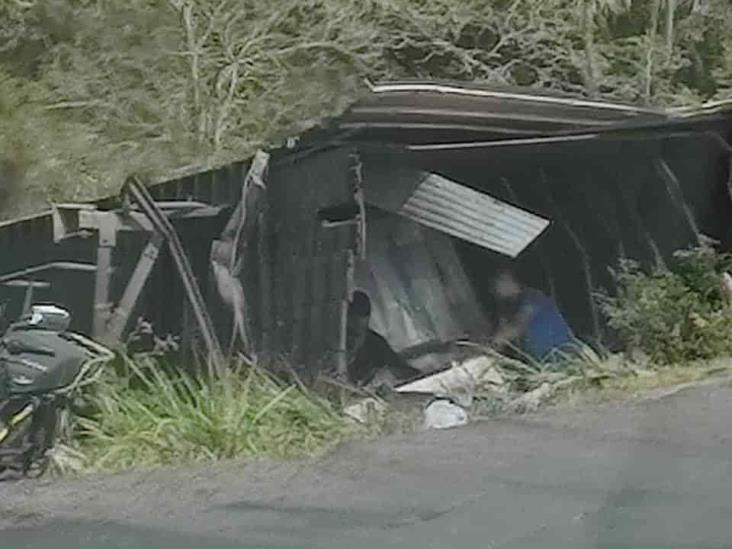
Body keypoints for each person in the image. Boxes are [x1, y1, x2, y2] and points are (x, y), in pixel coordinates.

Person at [490, 268, 577, 361]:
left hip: (562, 352)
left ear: (511, 282)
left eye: (498, 284)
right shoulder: (510, 306)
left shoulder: (532, 297)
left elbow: (518, 325)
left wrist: (494, 343)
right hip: (544, 357)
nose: (495, 290)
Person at [345, 290, 421, 387]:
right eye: (348, 332)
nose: (352, 340)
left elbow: (412, 376)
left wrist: (388, 375)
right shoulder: (324, 352)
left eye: (359, 333)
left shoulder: (375, 345)